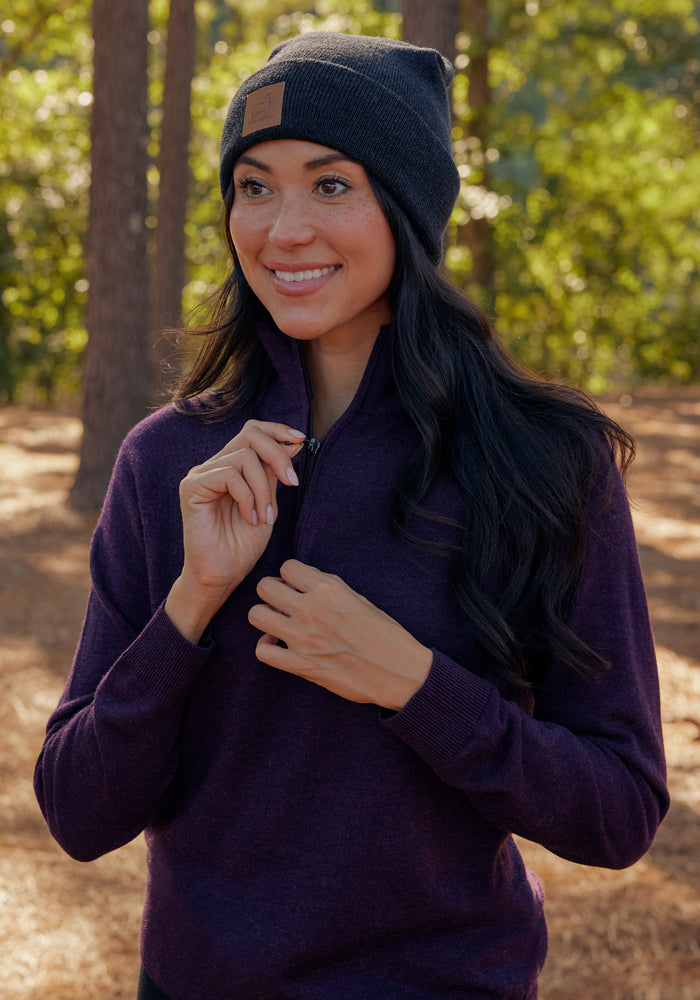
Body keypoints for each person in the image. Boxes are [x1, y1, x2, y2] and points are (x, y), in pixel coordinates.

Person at [35, 32, 669, 1000]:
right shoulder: (168, 461)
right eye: (254, 185)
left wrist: (413, 681)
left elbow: (616, 811)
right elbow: (80, 814)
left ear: (407, 206)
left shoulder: (543, 459)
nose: (283, 227)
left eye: (331, 185)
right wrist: (192, 605)